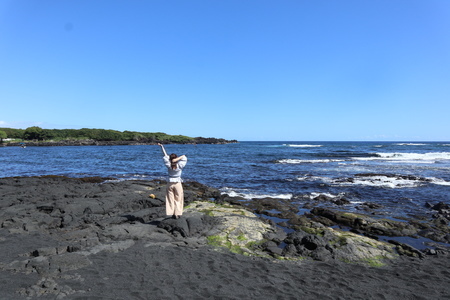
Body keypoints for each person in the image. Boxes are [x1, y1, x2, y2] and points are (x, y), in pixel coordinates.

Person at [158, 143, 188, 219]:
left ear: (170, 159)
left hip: (170, 182)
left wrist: (162, 147)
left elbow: (165, 156)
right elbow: (184, 157)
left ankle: (171, 213)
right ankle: (177, 214)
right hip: (177, 182)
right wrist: (177, 159)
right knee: (178, 198)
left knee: (170, 198)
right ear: (176, 158)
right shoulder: (180, 165)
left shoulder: (168, 165)